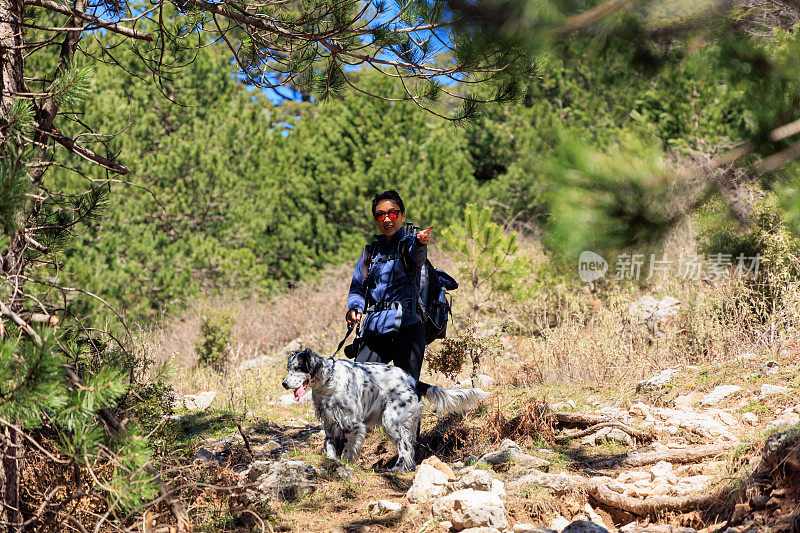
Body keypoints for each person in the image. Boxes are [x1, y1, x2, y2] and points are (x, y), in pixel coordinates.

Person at [345, 190, 433, 380]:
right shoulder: (369, 252)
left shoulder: (410, 244)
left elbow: (417, 257)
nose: (387, 220)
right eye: (380, 215)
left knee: (407, 391)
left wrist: (420, 244)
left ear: (402, 216)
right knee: (360, 384)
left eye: (392, 214)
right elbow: (357, 289)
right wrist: (355, 308)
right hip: (374, 328)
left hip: (407, 327)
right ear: (376, 220)